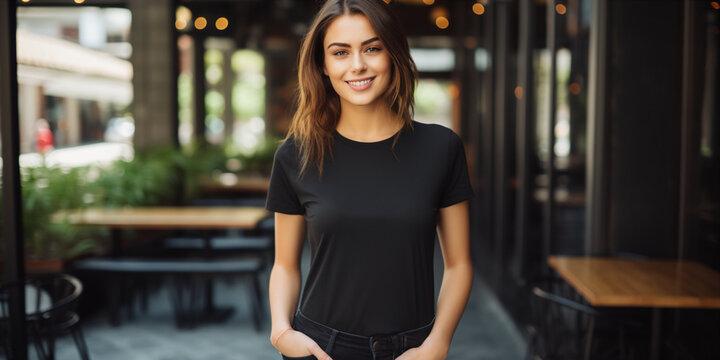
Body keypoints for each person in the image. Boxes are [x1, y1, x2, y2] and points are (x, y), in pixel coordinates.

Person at [265, 1, 474, 359]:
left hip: (413, 350)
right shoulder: (296, 154)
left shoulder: (442, 148)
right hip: (321, 347)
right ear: (324, 65)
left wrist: (438, 343)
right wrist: (281, 331)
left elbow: (459, 265)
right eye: (340, 52)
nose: (357, 64)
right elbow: (284, 264)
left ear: (393, 53)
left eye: (372, 48)